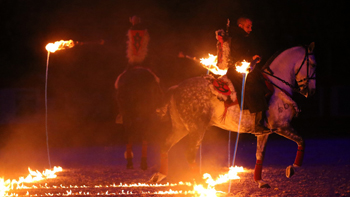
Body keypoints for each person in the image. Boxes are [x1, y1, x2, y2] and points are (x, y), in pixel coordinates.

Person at [226, 16, 270, 134]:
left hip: (241, 67)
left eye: (251, 26)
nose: (250, 29)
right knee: (255, 85)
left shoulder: (242, 37)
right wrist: (251, 58)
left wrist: (254, 59)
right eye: (248, 26)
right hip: (236, 69)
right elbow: (238, 56)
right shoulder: (237, 38)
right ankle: (256, 124)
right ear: (240, 26)